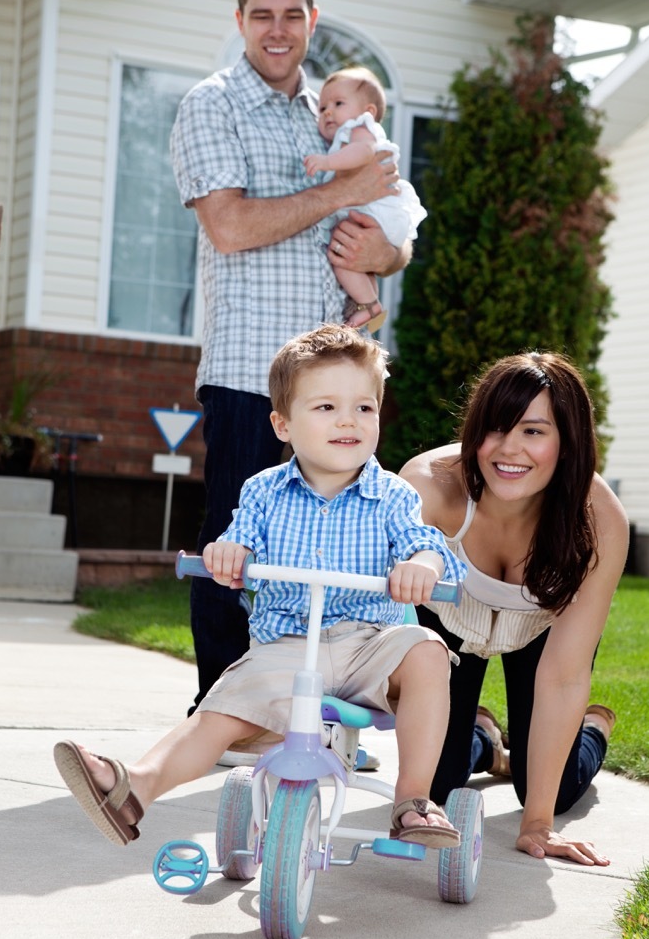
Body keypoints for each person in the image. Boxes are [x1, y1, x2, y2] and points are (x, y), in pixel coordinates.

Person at [54, 326, 467, 848]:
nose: (348, 420)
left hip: (370, 646)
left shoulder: (393, 496)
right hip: (288, 648)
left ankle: (413, 800)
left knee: (428, 651)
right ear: (282, 424)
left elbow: (425, 544)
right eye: (325, 408)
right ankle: (134, 786)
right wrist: (228, 555)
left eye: (364, 408)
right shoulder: (263, 492)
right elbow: (236, 542)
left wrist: (424, 565)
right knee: (217, 712)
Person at [170, 0, 412, 720]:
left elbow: (390, 225)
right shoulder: (212, 105)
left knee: (338, 552)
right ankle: (222, 715)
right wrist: (343, 190)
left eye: (292, 14)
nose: (278, 30)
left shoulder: (337, 111)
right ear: (239, 20)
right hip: (251, 371)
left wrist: (388, 252)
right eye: (261, 15)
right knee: (235, 549)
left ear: (311, 19)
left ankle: (308, 710)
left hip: (338, 381)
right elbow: (233, 225)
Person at [399, 351, 629, 866]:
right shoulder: (428, 486)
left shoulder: (599, 519)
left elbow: (564, 677)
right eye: (496, 429)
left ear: (567, 441)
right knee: (438, 785)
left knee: (551, 790)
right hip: (450, 622)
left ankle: (593, 727)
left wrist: (539, 826)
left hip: (539, 630)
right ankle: (481, 734)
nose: (509, 450)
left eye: (533, 431)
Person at [304, 67, 426, 332]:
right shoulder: (349, 132)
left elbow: (362, 152)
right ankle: (369, 304)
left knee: (340, 256)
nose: (327, 112)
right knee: (357, 260)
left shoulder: (359, 128)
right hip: (376, 213)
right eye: (323, 107)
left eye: (338, 103)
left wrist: (326, 161)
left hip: (375, 211)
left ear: (368, 111)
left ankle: (370, 305)